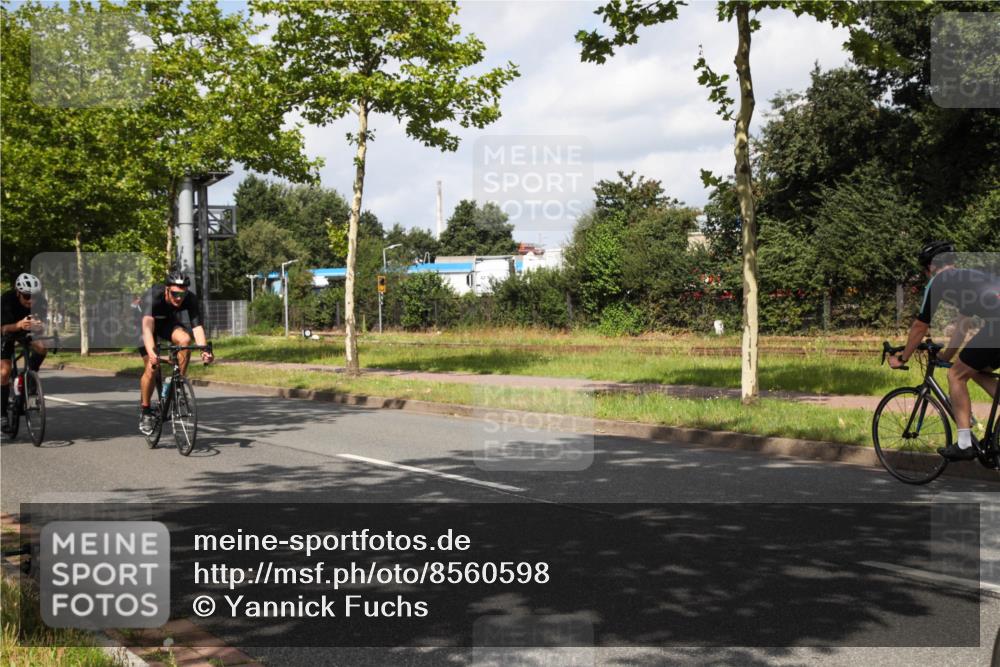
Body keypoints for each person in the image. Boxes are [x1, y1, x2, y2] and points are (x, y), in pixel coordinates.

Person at [889, 241, 1000, 460]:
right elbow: (962, 326)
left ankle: (964, 444)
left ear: (931, 267)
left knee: (955, 375)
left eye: (925, 271)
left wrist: (903, 357)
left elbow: (920, 326)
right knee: (975, 370)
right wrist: (946, 356)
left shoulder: (938, 281)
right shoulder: (969, 278)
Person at [138, 271, 213, 434]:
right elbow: (147, 328)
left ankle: (177, 386)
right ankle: (145, 411)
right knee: (151, 367)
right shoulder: (154, 297)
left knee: (185, 340)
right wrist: (152, 353)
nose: (179, 298)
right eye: (175, 294)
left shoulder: (190, 299)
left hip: (166, 322)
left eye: (182, 294)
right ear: (167, 290)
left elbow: (197, 327)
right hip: (145, 326)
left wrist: (204, 350)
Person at [1, 273, 48, 433]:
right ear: (18, 293)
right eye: (27, 296)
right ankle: (2, 415)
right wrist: (18, 325)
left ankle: (29, 379)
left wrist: (39, 326)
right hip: (6, 332)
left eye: (34, 296)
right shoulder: (6, 300)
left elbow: (42, 326)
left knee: (42, 347)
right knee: (4, 372)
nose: (31, 301)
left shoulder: (41, 302)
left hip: (27, 332)